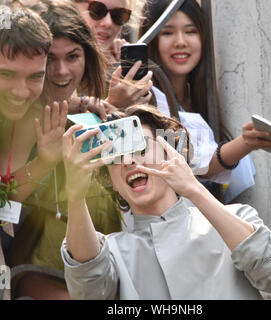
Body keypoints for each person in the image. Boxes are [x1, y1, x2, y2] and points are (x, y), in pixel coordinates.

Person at [61, 104, 271, 300]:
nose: (130, 160)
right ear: (111, 180)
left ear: (171, 153)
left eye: (140, 147)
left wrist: (193, 188)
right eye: (117, 156)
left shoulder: (236, 217)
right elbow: (88, 291)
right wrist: (75, 194)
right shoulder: (112, 251)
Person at [6, 0, 121, 300]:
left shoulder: (94, 108)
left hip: (109, 260)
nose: (60, 71)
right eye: (49, 62)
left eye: (72, 56)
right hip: (38, 269)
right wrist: (44, 163)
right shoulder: (20, 114)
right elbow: (5, 202)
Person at [139, 0, 271, 203]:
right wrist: (246, 143)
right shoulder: (149, 99)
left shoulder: (201, 96)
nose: (180, 42)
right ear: (151, 41)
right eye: (167, 32)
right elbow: (195, 162)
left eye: (190, 31)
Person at [0, 4, 69, 300]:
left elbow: (4, 196)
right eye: (6, 74)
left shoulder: (33, 116)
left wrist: (44, 162)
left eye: (34, 77)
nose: (20, 91)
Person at [72, 0, 155, 109]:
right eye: (97, 10)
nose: (108, 23)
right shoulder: (49, 57)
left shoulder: (114, 63)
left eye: (118, 15)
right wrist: (114, 105)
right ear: (71, 7)